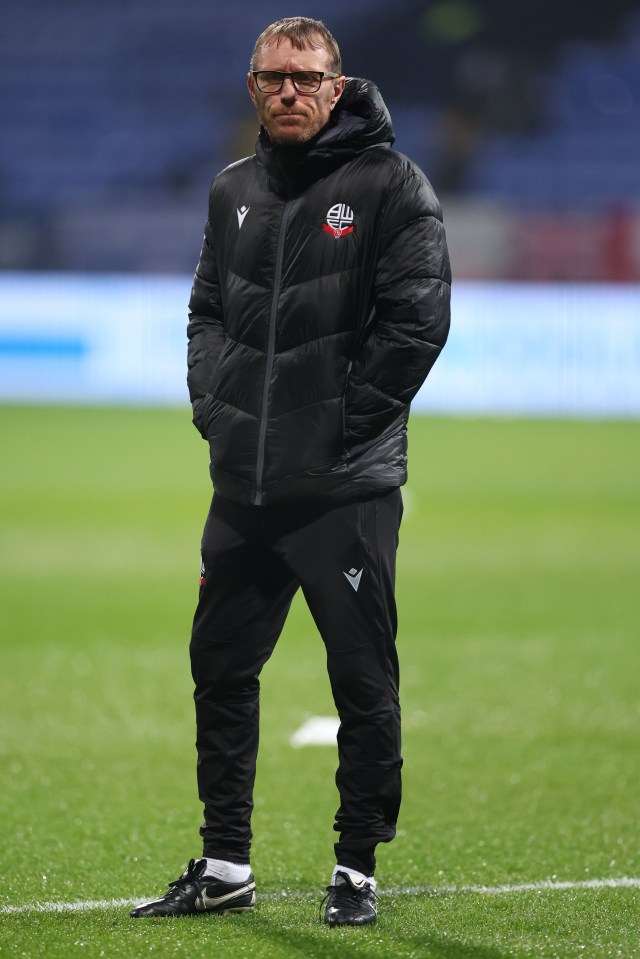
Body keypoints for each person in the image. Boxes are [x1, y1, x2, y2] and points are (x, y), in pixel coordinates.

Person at [131, 16, 451, 927]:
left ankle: (356, 870)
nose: (290, 91)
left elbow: (417, 325)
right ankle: (226, 860)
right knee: (221, 668)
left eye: (306, 78)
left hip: (344, 489)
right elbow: (205, 312)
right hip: (246, 489)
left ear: (338, 86)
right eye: (273, 77)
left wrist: (335, 432)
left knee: (361, 679)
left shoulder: (392, 186)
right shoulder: (232, 189)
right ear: (252, 87)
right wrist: (217, 408)